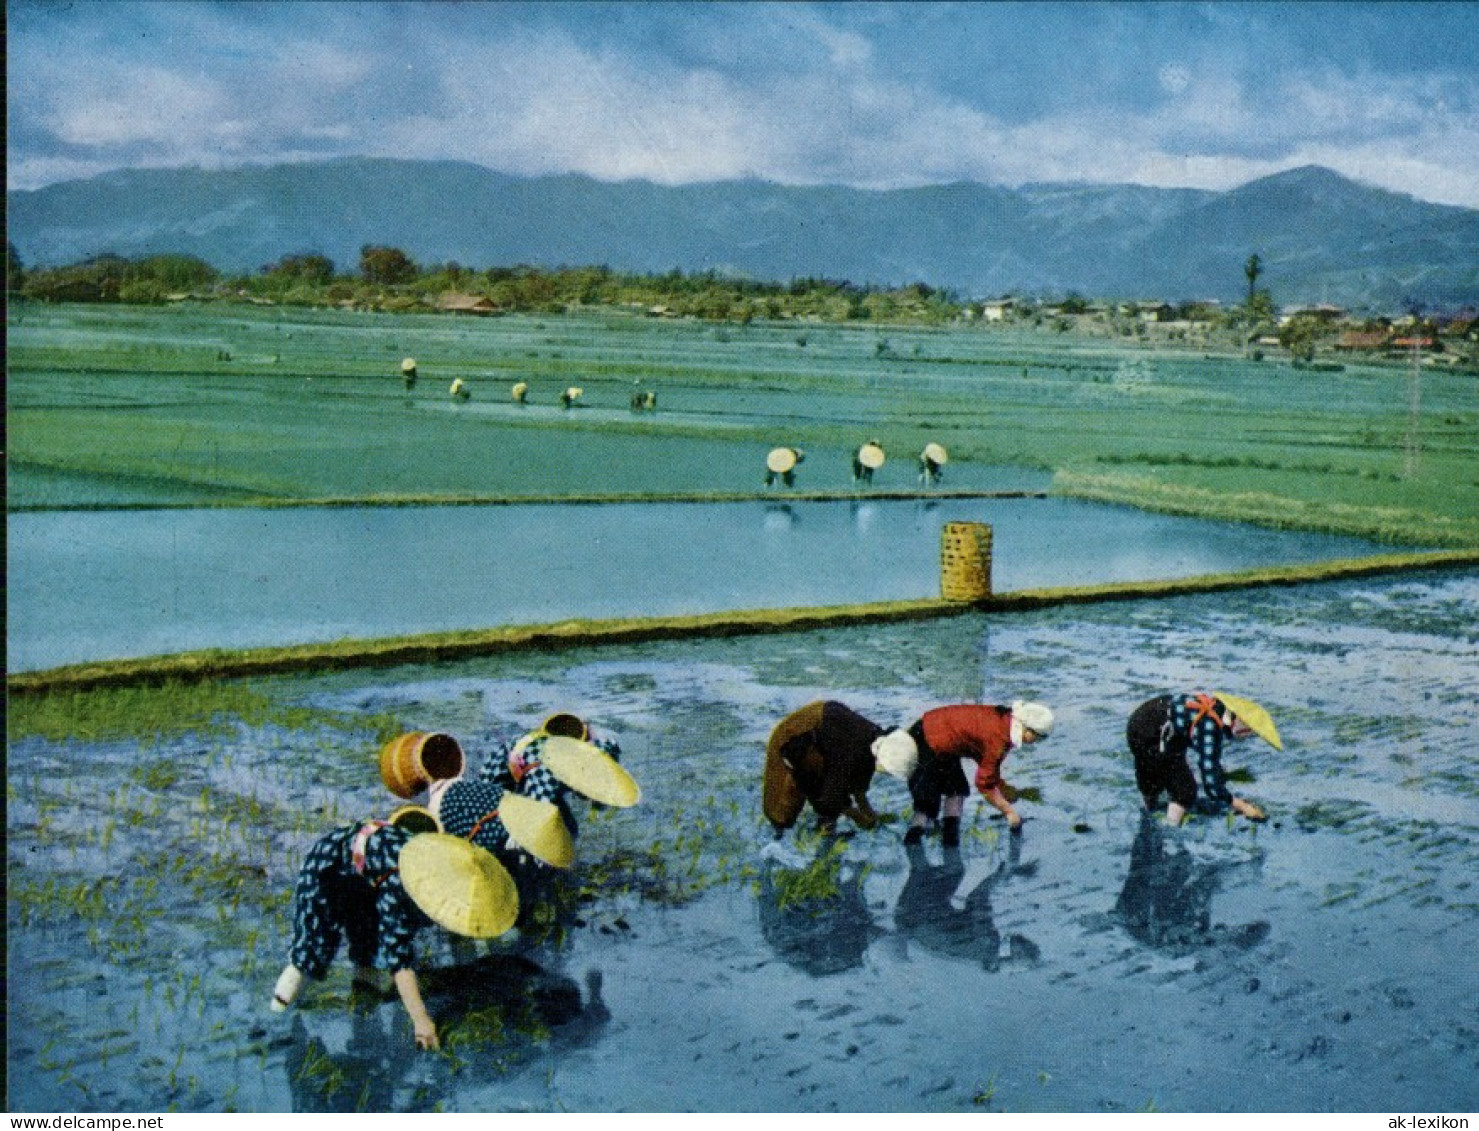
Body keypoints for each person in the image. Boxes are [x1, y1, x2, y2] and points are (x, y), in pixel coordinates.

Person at [268, 816, 515, 1050]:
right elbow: (399, 961)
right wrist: (421, 1020)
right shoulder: (404, 885)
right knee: (312, 950)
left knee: (367, 947)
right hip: (328, 867)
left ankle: (363, 1015)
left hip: (367, 875)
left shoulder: (450, 862)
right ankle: (279, 1017)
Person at [901, 700, 1054, 846]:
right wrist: (1009, 812)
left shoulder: (1005, 721)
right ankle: (918, 842)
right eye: (1038, 738)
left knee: (956, 788)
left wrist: (1002, 786)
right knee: (927, 804)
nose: (1035, 742)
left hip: (937, 733)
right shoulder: (1000, 738)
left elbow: (987, 762)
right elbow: (983, 783)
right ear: (1028, 730)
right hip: (924, 742)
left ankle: (949, 835)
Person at [1126, 692, 1276, 826]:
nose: (1245, 737)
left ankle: (1149, 808)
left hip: (1143, 719)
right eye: (1247, 732)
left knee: (1150, 773)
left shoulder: (1215, 707)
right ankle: (1170, 828)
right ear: (1237, 724)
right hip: (1154, 735)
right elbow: (1211, 784)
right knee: (1185, 791)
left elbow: (1206, 754)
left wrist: (1219, 774)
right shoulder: (1210, 728)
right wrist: (1241, 806)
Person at [763, 700, 887, 838]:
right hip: (792, 740)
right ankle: (781, 833)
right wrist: (856, 815)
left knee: (829, 796)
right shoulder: (840, 751)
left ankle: (825, 825)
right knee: (781, 815)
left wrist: (864, 806)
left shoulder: (870, 739)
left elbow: (860, 772)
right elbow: (820, 790)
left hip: (826, 728)